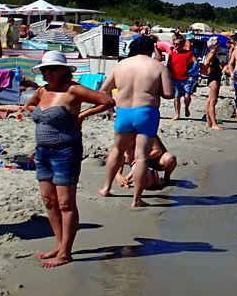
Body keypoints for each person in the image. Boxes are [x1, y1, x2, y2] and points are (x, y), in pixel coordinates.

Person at [26, 50, 114, 266]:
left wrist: (81, 116)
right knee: (49, 201)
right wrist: (38, 115)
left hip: (66, 152)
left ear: (64, 70)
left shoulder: (74, 90)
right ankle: (58, 245)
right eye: (45, 69)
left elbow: (107, 101)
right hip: (43, 152)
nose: (48, 72)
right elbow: (29, 106)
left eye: (53, 68)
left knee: (66, 203)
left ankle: (66, 253)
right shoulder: (41, 91)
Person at [99, 35, 174, 207]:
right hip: (146, 112)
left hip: (124, 112)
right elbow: (169, 94)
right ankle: (136, 199)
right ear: (151, 49)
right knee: (141, 157)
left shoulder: (121, 65)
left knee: (117, 151)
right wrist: (155, 91)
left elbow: (104, 89)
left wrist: (111, 110)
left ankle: (106, 188)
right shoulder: (157, 67)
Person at [167, 35, 196, 121]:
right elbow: (169, 66)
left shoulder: (188, 53)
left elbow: (195, 63)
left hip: (186, 78)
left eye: (177, 44)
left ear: (182, 45)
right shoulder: (171, 55)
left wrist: (193, 71)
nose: (175, 46)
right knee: (176, 97)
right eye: (174, 44)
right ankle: (177, 114)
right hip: (175, 79)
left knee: (187, 96)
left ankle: (187, 107)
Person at [201, 37, 224, 130]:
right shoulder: (212, 53)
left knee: (209, 101)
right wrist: (212, 67)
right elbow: (206, 63)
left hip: (213, 77)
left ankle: (209, 122)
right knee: (213, 102)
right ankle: (214, 123)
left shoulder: (212, 53)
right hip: (214, 78)